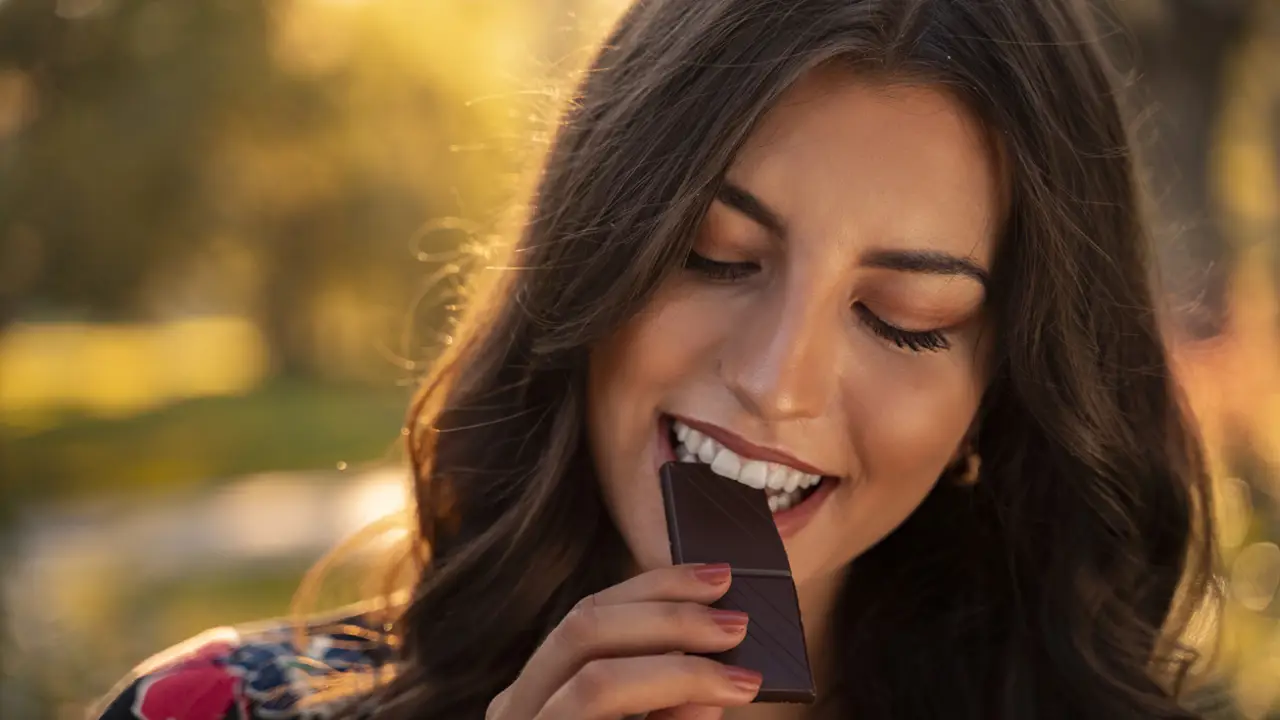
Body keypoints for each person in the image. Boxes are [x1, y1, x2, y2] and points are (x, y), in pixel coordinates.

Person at [92, 0, 1222, 718]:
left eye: (902, 315)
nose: (777, 378)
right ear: (594, 253)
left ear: (1001, 394)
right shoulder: (212, 708)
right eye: (713, 255)